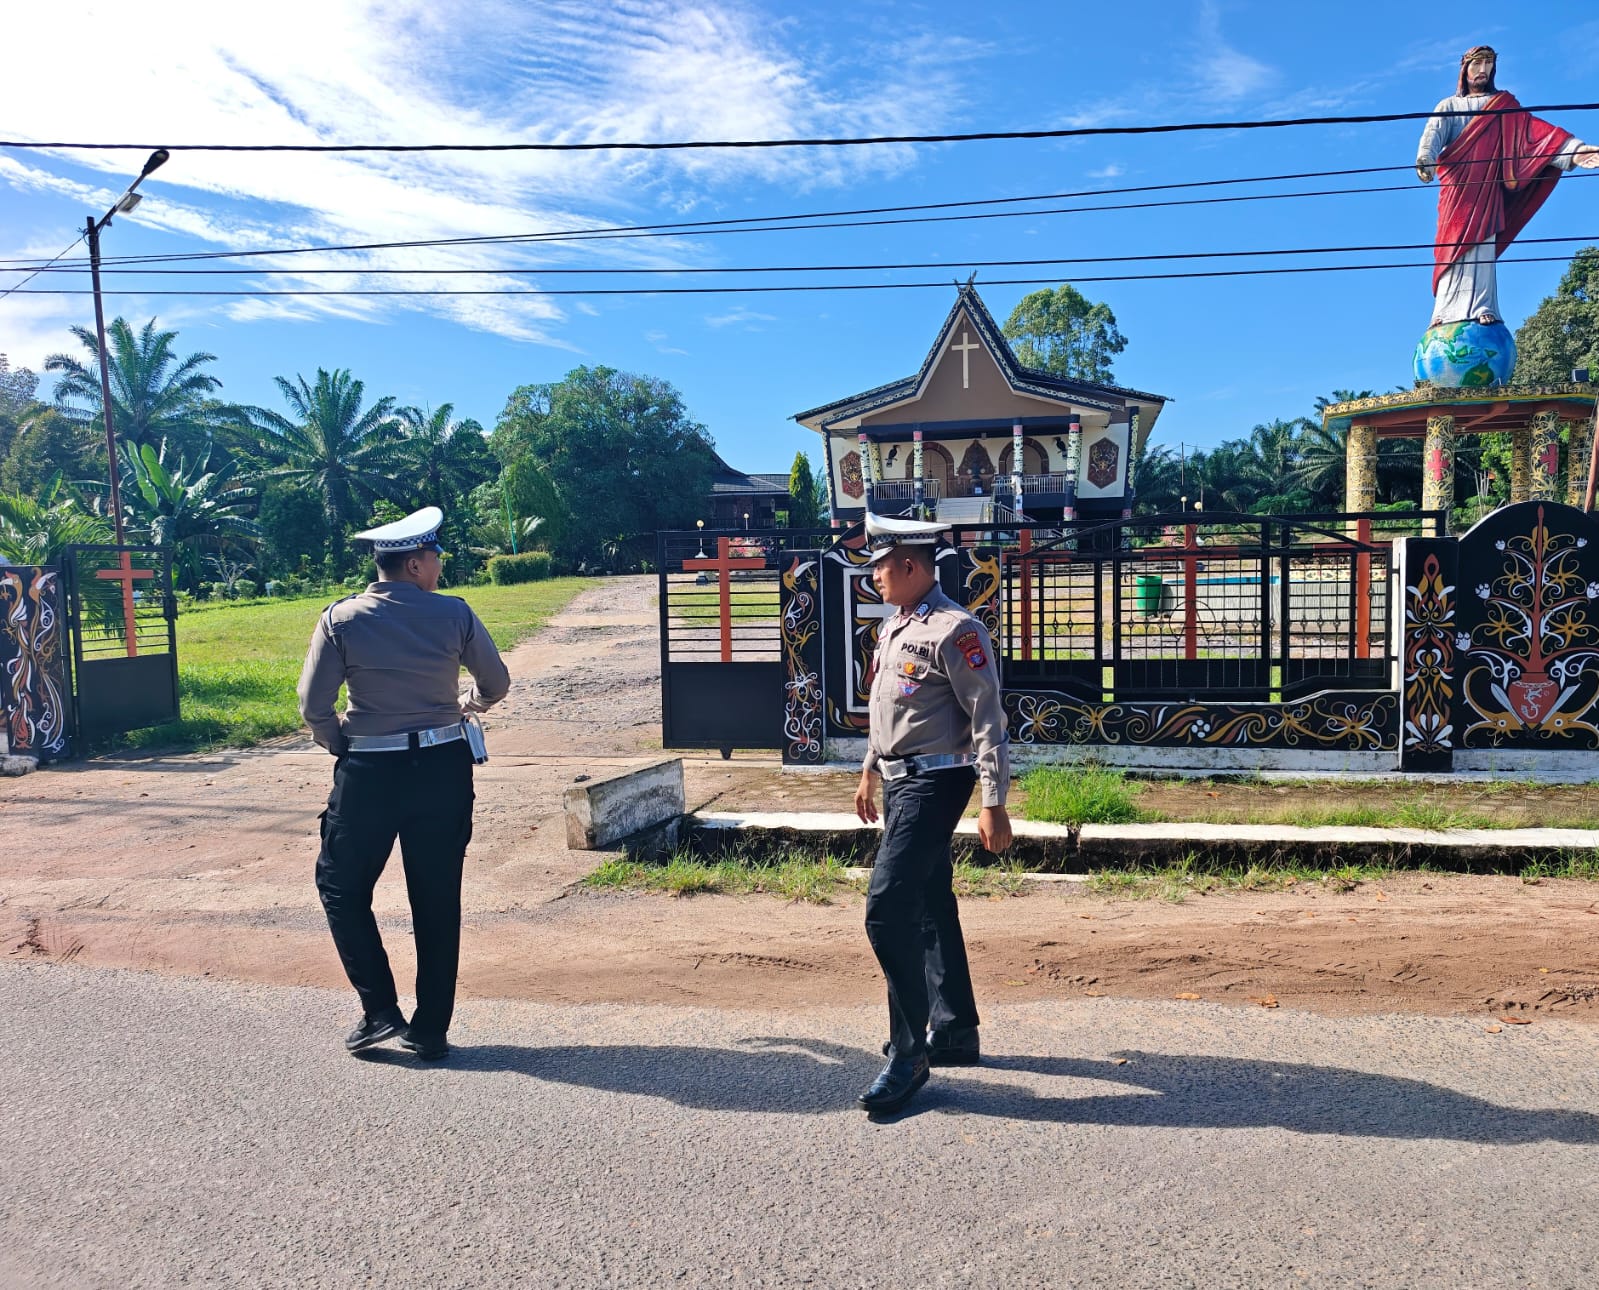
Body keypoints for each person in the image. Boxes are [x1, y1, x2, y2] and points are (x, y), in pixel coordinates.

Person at [297, 506, 510, 1061]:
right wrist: (468, 707)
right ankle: (430, 1029)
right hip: (444, 769)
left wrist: (339, 742)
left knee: (342, 888)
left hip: (369, 773)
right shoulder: (455, 615)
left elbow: (313, 705)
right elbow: (496, 682)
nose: (439, 566)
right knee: (437, 899)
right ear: (415, 563)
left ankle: (379, 1010)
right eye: (435, 557)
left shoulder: (341, 619)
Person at [852, 512, 1012, 1115]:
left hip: (938, 782)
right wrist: (870, 768)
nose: (876, 579)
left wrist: (994, 802)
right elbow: (890, 711)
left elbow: (989, 721)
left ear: (912, 566)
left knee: (888, 907)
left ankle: (909, 1050)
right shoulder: (896, 627)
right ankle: (954, 1030)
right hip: (897, 780)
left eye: (882, 568)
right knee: (930, 899)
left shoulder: (956, 630)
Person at [1416, 46, 1598, 326]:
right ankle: (1442, 311)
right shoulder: (1449, 106)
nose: (1482, 70)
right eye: (1477, 64)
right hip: (1457, 194)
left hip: (1487, 192)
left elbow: (1536, 134)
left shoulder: (1504, 105)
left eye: (1488, 64)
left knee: (1482, 250)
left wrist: (1574, 151)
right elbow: (1433, 135)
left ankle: (1482, 307)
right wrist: (1425, 160)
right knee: (1449, 249)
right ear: (1465, 69)